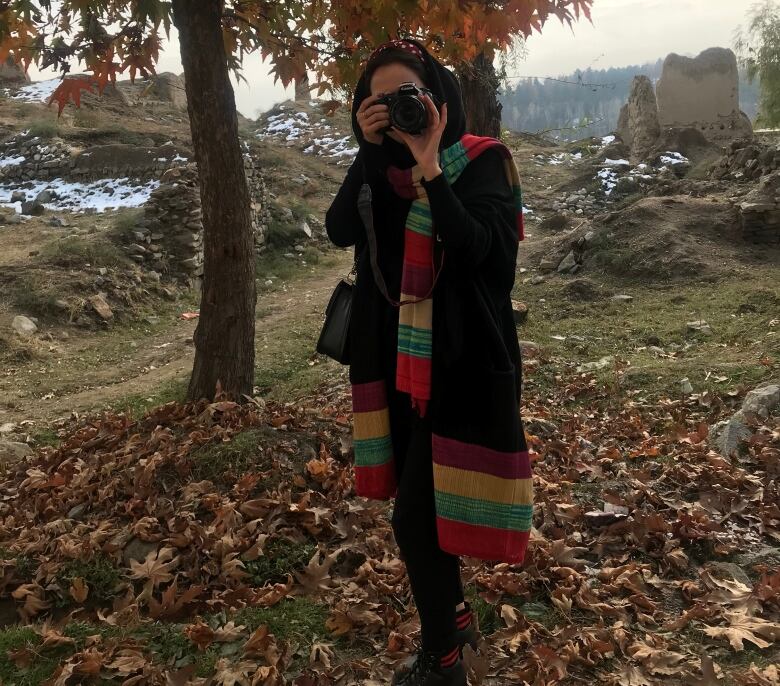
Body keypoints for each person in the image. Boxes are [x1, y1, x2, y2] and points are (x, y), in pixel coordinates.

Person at [325, 39, 533, 686]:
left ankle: (443, 660)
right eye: (378, 101)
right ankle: (457, 617)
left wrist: (430, 168)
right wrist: (369, 153)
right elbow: (339, 230)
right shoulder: (376, 174)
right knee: (425, 507)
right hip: (396, 367)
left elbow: (482, 255)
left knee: (415, 516)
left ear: (438, 100)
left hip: (461, 364)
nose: (394, 110)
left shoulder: (483, 164)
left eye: (406, 97)